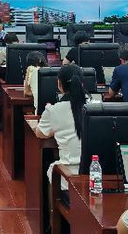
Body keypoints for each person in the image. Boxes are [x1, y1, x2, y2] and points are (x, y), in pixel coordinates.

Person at [35, 64, 85, 193]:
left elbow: (40, 133)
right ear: (82, 84)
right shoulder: (95, 108)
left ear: (59, 84)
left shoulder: (54, 110)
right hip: (95, 178)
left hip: (67, 178)